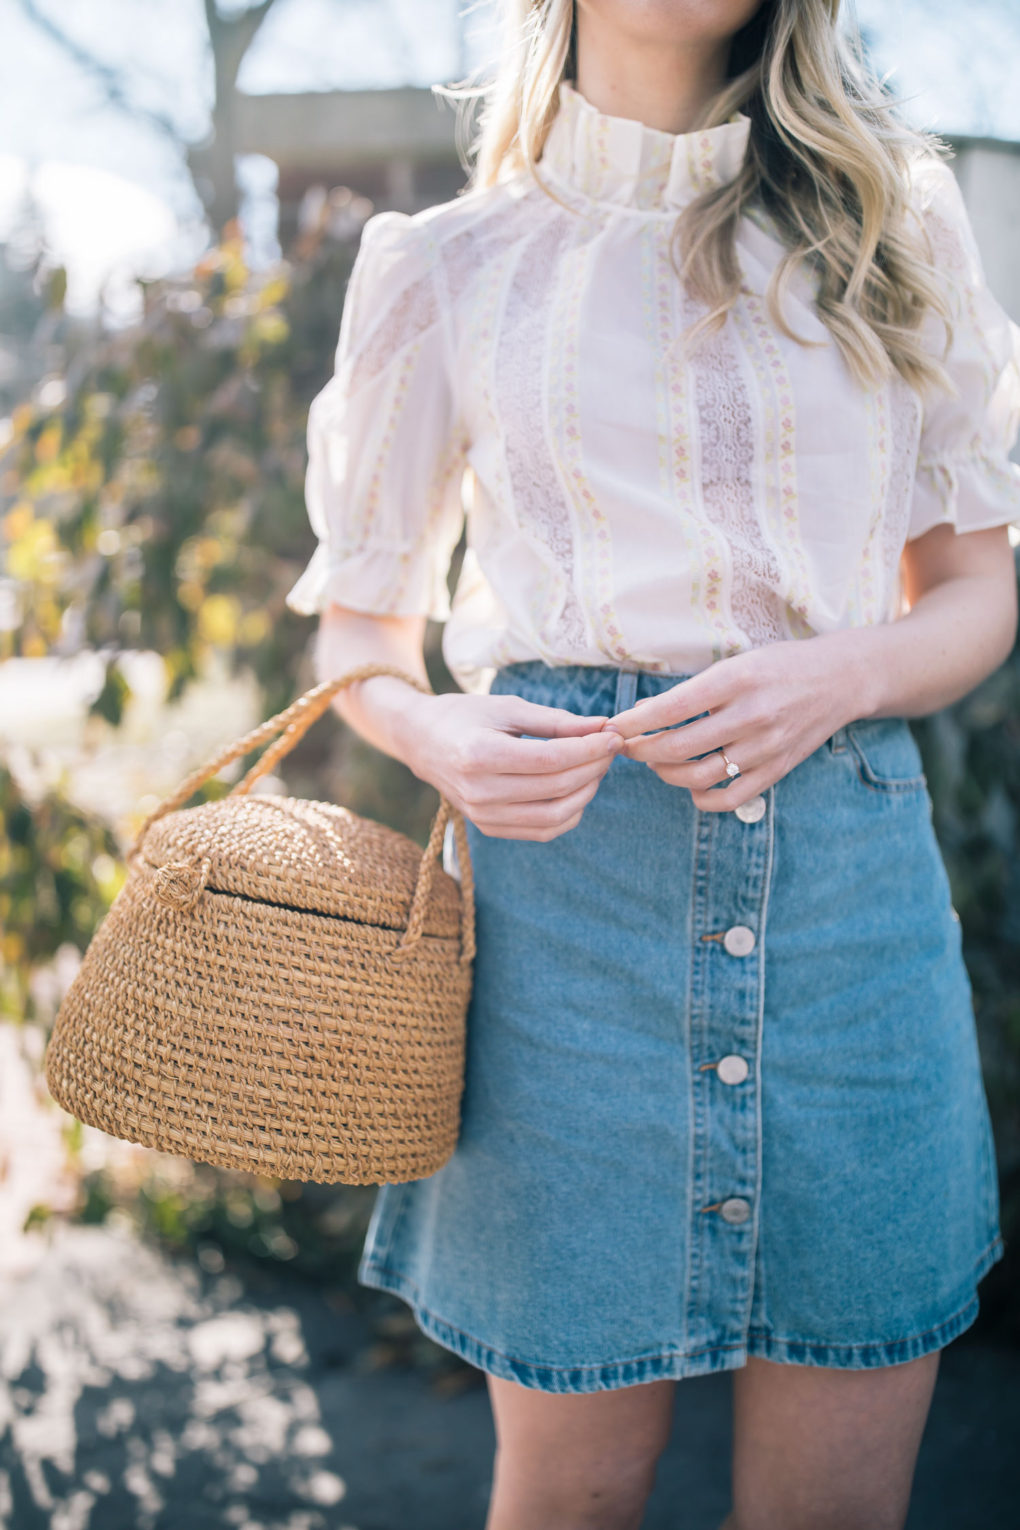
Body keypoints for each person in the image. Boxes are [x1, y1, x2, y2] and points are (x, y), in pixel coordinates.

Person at [284, 2, 1020, 1526]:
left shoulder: (898, 216)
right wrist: (433, 726)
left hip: (853, 919)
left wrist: (844, 668)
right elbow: (359, 636)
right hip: (563, 929)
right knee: (571, 1493)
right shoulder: (447, 264)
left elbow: (977, 590)